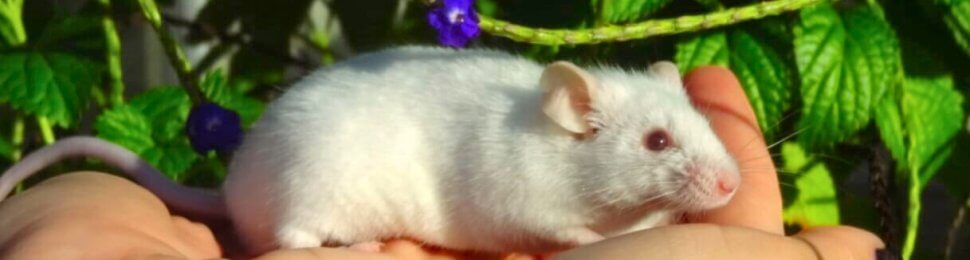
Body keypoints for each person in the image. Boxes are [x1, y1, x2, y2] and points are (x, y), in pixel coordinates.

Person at [0, 67, 885, 259]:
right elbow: (512, 207)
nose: (713, 174)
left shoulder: (561, 140)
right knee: (325, 176)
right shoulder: (526, 148)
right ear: (576, 112)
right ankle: (304, 233)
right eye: (661, 140)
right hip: (299, 186)